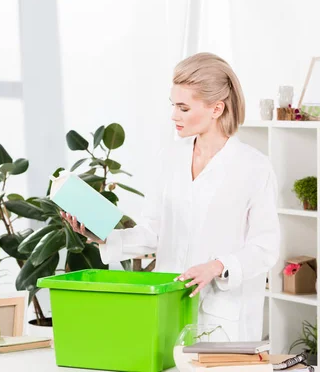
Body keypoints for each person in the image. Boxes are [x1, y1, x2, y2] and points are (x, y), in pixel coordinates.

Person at [61, 52, 280, 341]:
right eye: (173, 105)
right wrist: (102, 236)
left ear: (217, 108)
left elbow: (265, 248)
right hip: (170, 303)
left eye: (183, 108)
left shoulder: (253, 167)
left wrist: (217, 266)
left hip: (225, 318)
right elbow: (153, 232)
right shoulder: (169, 158)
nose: (174, 116)